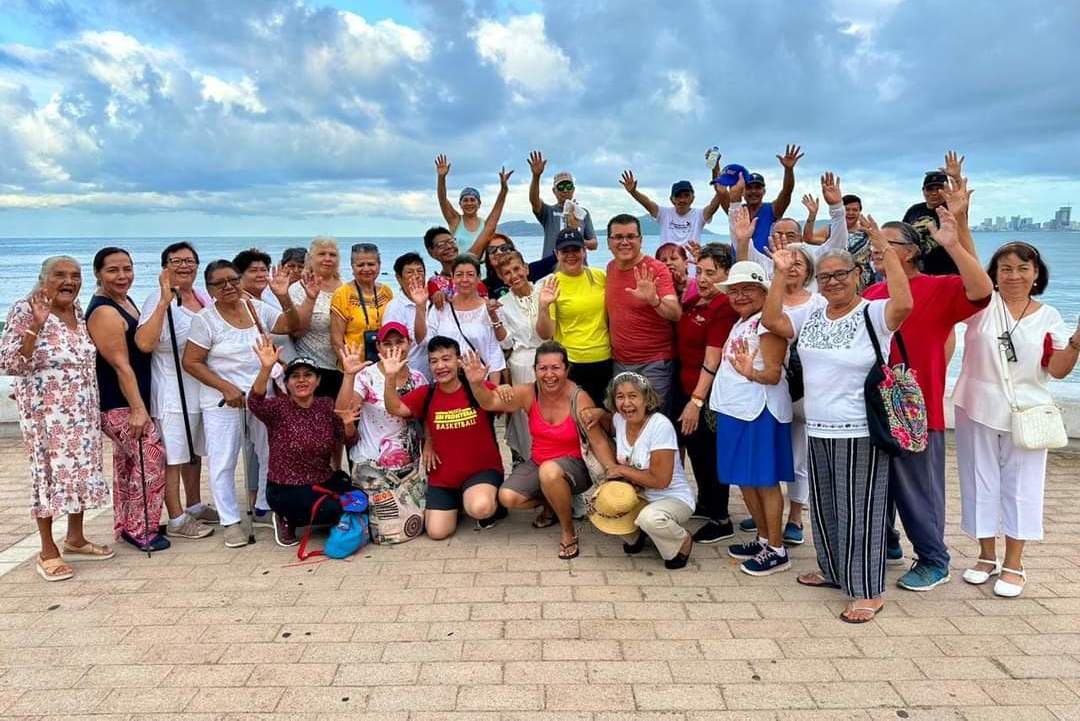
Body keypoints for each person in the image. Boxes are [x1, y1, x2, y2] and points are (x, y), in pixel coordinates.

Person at [761, 220, 913, 623]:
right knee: (826, 505)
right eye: (825, 276)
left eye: (840, 275)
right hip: (819, 427)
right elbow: (772, 321)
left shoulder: (873, 314)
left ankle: (868, 589)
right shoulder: (812, 316)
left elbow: (905, 302)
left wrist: (884, 246)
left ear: (858, 275)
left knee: (860, 510)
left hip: (860, 429)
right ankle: (832, 569)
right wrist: (778, 274)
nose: (831, 283)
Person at [864, 207, 992, 592]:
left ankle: (934, 558)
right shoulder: (871, 292)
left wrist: (953, 243)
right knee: (877, 482)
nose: (874, 249)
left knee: (919, 488)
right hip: (873, 407)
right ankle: (885, 545)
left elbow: (982, 291)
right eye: (873, 243)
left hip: (915, 409)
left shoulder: (937, 287)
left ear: (909, 251)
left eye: (884, 244)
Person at [953, 242, 1080, 597]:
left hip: (1027, 410)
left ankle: (1014, 563)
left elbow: (1056, 368)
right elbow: (966, 252)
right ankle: (985, 556)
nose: (1013, 276)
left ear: (1036, 274)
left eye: (1023, 269)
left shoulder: (1049, 315)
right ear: (993, 273)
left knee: (1021, 486)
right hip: (975, 404)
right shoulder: (981, 305)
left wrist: (1076, 341)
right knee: (979, 481)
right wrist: (960, 218)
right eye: (1005, 268)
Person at [0, 257, 114, 581]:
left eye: (75, 276)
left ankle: (75, 538)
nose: (69, 281)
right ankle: (47, 549)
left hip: (81, 412)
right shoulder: (25, 309)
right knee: (48, 477)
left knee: (80, 473)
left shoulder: (76, 311)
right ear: (42, 279)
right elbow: (9, 363)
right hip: (46, 416)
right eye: (59, 275)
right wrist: (36, 324)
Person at [182, 259, 299, 548]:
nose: (228, 286)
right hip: (223, 400)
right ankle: (230, 521)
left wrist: (284, 296)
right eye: (219, 283)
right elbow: (191, 362)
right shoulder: (205, 319)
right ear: (209, 289)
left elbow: (293, 324)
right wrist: (225, 386)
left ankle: (262, 506)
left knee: (269, 452)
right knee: (223, 460)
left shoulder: (255, 308)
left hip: (263, 395)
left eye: (233, 279)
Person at [463, 342, 610, 559]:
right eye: (543, 368)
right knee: (507, 497)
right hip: (540, 463)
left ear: (566, 370)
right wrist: (476, 384)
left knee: (550, 472)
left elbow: (598, 442)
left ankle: (568, 531)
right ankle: (553, 503)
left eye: (555, 368)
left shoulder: (579, 398)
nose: (549, 374)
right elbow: (490, 402)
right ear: (534, 371)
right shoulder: (528, 392)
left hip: (576, 468)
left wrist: (612, 470)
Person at [707, 261, 794, 576]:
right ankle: (761, 537)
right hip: (737, 409)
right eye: (734, 290)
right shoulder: (743, 321)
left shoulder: (768, 325)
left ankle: (777, 548)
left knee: (765, 481)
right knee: (745, 479)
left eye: (748, 289)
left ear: (764, 292)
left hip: (760, 411)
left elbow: (772, 374)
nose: (740, 296)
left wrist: (751, 373)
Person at [86, 247, 169, 552]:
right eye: (113, 270)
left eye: (127, 269)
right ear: (98, 273)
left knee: (128, 465)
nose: (122, 276)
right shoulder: (105, 311)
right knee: (151, 459)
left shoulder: (125, 301)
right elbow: (121, 365)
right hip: (120, 403)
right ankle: (140, 528)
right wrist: (138, 409)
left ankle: (127, 524)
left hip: (129, 401)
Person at [381, 337, 504, 538]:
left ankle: (489, 501)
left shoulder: (476, 388)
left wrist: (504, 388)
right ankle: (460, 502)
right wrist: (390, 377)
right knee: (437, 532)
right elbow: (394, 408)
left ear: (458, 360)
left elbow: (501, 400)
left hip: (481, 471)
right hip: (444, 478)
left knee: (480, 508)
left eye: (446, 359)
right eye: (434, 361)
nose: (440, 366)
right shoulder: (426, 394)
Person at [136, 241, 217, 539]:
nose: (184, 266)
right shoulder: (156, 299)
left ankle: (194, 504)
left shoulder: (202, 297)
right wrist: (162, 302)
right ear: (164, 267)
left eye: (189, 261)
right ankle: (176, 517)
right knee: (174, 456)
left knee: (193, 452)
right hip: (172, 389)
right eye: (176, 261)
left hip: (201, 388)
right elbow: (144, 343)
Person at [248, 338, 357, 547]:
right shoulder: (278, 408)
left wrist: (349, 425)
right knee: (334, 509)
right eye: (295, 376)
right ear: (287, 383)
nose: (301, 380)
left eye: (308, 375)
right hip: (286, 488)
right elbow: (254, 402)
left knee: (359, 499)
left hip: (321, 482)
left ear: (317, 381)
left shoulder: (325, 405)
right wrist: (266, 368)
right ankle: (285, 517)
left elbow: (348, 439)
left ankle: (316, 513)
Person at [673, 243, 738, 544]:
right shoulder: (696, 301)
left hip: (707, 394)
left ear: (727, 274)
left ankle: (721, 518)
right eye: (699, 271)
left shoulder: (724, 306)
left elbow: (713, 359)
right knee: (697, 451)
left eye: (711, 273)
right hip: (686, 385)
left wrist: (696, 402)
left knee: (711, 454)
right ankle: (705, 502)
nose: (702, 279)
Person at [600, 372, 696, 569]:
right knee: (605, 501)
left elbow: (661, 481)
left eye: (633, 396)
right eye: (620, 397)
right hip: (642, 496)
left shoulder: (660, 425)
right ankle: (637, 536)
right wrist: (596, 413)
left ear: (646, 398)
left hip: (672, 497)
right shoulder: (619, 420)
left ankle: (683, 540)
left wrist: (621, 470)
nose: (626, 403)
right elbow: (605, 422)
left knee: (650, 519)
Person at [604, 213, 681, 411]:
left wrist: (654, 300)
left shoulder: (656, 269)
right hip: (620, 362)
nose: (625, 242)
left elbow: (675, 313)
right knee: (627, 420)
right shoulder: (610, 268)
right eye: (618, 237)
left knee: (655, 422)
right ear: (609, 242)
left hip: (654, 363)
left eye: (631, 236)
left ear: (640, 240)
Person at [536, 228, 611, 406]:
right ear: (556, 254)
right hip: (572, 362)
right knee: (576, 417)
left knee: (604, 417)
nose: (571, 255)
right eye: (565, 251)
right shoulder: (552, 283)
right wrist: (544, 307)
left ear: (584, 251)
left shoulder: (599, 276)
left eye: (575, 250)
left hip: (604, 359)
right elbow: (546, 334)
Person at [339, 323, 425, 477]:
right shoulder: (366, 375)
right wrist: (349, 376)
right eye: (387, 344)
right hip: (371, 464)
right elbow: (344, 411)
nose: (394, 348)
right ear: (378, 347)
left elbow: (428, 422)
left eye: (400, 342)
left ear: (410, 343)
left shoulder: (419, 378)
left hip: (411, 468)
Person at [494, 250, 545, 460]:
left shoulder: (542, 290)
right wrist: (494, 317)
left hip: (548, 357)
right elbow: (505, 342)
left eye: (516, 269)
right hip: (522, 363)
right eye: (507, 273)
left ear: (525, 268)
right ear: (502, 277)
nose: (513, 275)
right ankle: (530, 460)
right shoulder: (503, 303)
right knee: (526, 417)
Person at [429, 256, 506, 384]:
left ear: (478, 278)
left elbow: (494, 351)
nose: (464, 279)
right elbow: (429, 344)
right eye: (459, 275)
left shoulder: (489, 308)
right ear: (452, 277)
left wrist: (494, 387)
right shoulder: (440, 308)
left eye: (470, 274)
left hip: (480, 381)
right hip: (446, 381)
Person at [718, 144, 803, 253]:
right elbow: (721, 192)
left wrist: (788, 169)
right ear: (743, 192)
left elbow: (787, 191)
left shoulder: (773, 210)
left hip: (766, 266)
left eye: (758, 187)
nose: (753, 191)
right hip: (739, 264)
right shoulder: (738, 211)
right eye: (749, 188)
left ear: (764, 191)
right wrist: (715, 167)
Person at [289, 236, 343, 397]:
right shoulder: (298, 289)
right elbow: (297, 331)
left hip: (346, 368)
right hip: (313, 371)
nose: (327, 259)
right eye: (322, 254)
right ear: (310, 259)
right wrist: (311, 299)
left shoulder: (347, 288)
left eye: (332, 255)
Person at [901, 150, 967, 276]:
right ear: (923, 190)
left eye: (939, 188)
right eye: (929, 189)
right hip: (919, 273)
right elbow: (903, 235)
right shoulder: (914, 210)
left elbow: (961, 199)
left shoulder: (953, 209)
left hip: (948, 273)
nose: (934, 193)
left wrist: (956, 178)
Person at [330, 243, 394, 364]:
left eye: (371, 264)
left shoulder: (386, 292)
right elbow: (336, 339)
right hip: (354, 366)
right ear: (352, 267)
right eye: (360, 265)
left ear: (379, 265)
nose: (366, 269)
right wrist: (350, 365)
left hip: (384, 364)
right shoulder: (343, 294)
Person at [619, 172, 722, 246]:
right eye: (678, 196)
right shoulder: (664, 214)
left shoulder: (699, 215)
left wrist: (721, 188)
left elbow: (714, 204)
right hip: (665, 268)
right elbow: (647, 203)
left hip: (691, 271)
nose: (682, 200)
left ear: (693, 198)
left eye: (686, 195)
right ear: (671, 199)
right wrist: (633, 192)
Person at [527, 150, 599, 256]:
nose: (565, 190)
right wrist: (536, 177)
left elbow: (594, 244)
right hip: (551, 268)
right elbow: (534, 200)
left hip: (578, 268)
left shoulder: (583, 213)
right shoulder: (548, 212)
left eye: (568, 187)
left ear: (573, 189)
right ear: (554, 191)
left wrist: (577, 239)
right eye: (561, 187)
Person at [435, 156, 513, 251]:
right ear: (460, 204)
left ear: (479, 204)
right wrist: (441, 178)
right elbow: (442, 199)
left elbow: (497, 208)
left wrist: (504, 189)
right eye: (465, 200)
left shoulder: (485, 225)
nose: (469, 203)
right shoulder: (455, 221)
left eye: (472, 200)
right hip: (460, 265)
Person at [802, 193, 877, 291]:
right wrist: (812, 215)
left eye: (855, 210)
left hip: (866, 282)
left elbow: (881, 247)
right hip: (838, 280)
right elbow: (808, 238)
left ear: (860, 212)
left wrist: (874, 232)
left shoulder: (866, 230)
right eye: (847, 209)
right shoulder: (831, 230)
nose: (851, 213)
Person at [481, 233, 558, 299]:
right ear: (488, 258)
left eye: (503, 248)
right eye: (492, 249)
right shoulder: (485, 286)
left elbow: (557, 256)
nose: (498, 252)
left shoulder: (528, 270)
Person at [423, 226, 489, 301]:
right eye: (441, 245)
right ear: (431, 252)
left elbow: (485, 303)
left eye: (451, 242)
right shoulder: (434, 283)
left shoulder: (473, 275)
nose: (449, 246)